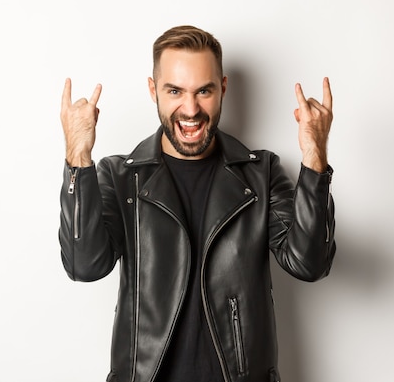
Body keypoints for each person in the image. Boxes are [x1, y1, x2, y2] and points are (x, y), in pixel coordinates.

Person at [58, 25, 336, 382]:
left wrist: (315, 157)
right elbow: (84, 266)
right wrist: (78, 157)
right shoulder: (120, 176)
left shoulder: (261, 173)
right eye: (174, 90)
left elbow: (309, 263)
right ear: (153, 90)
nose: (190, 109)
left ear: (222, 88)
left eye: (203, 91)